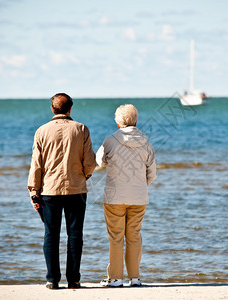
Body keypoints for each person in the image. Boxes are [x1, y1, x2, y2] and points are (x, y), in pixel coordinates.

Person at [28, 93, 96, 290]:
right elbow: (90, 162)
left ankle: (52, 280)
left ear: (52, 109)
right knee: (75, 235)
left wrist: (34, 191)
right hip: (76, 189)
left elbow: (36, 165)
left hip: (50, 190)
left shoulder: (41, 131)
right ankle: (74, 280)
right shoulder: (81, 129)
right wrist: (84, 175)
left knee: (51, 234)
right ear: (70, 109)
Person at [96, 104, 157, 287]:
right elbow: (152, 173)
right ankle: (135, 278)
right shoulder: (146, 141)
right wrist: (139, 186)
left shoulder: (111, 140)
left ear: (118, 123)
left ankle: (115, 278)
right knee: (134, 236)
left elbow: (98, 161)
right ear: (136, 121)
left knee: (115, 237)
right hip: (138, 197)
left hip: (114, 198)